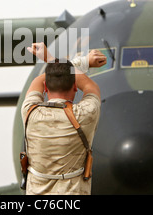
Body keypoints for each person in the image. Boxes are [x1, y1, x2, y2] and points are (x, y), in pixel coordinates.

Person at [21, 43, 106, 195]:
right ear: (74, 86)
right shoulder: (86, 113)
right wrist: (52, 59)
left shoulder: (30, 112)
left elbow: (38, 81)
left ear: (46, 87)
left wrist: (52, 60)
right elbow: (89, 86)